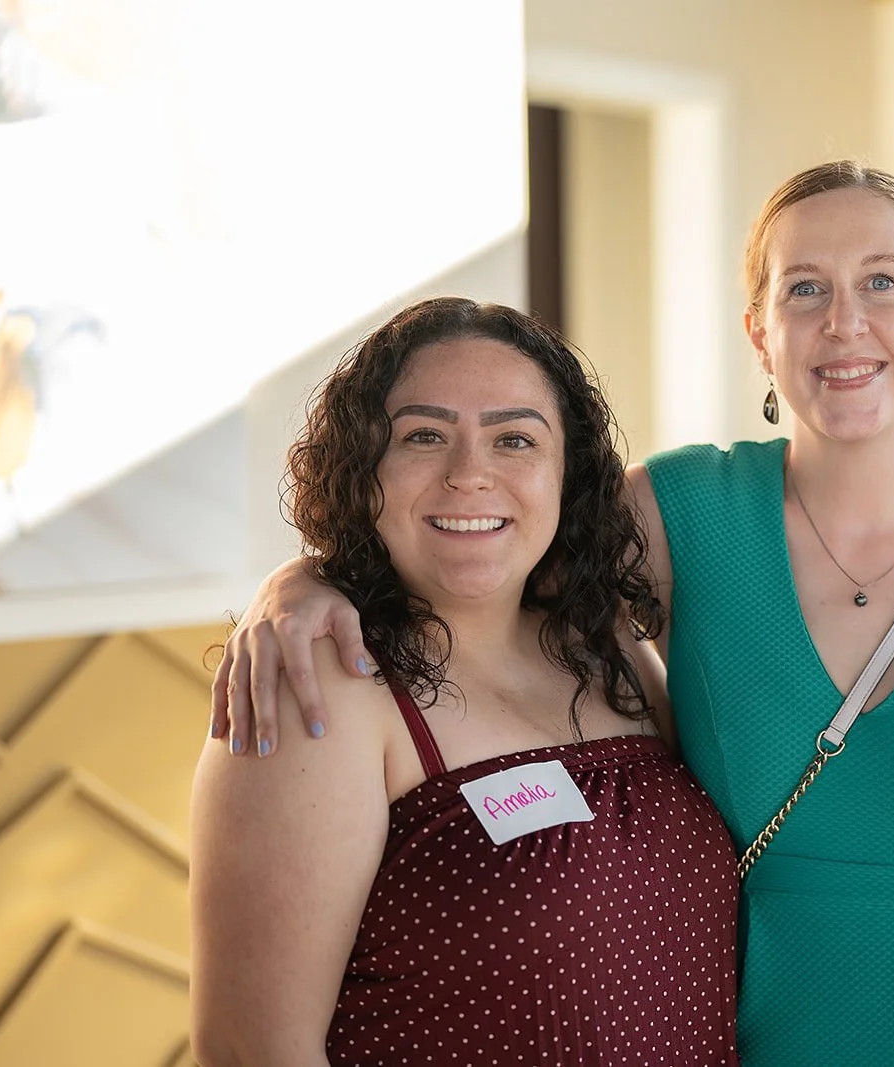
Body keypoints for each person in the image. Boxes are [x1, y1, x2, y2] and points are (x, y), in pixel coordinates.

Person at [212, 162, 894, 1065]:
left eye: (881, 283)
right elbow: (484, 541)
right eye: (804, 288)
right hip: (768, 1033)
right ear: (760, 332)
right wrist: (302, 581)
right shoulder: (676, 515)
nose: (844, 322)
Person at [188, 298, 739, 1066]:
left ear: (567, 473)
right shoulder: (319, 681)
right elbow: (250, 1049)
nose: (470, 474)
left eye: (515, 439)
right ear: (362, 469)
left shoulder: (606, 642)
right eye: (424, 435)